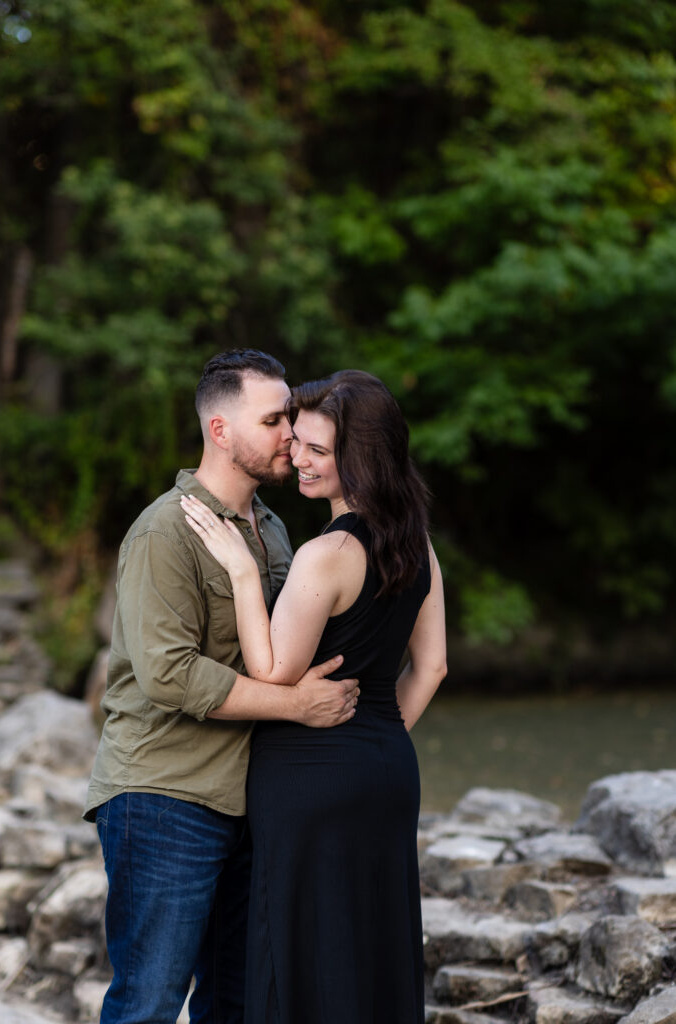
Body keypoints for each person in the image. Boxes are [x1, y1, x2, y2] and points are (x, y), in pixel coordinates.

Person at [84, 349, 359, 1024]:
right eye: (273, 421)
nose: (290, 437)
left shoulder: (272, 530)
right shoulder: (164, 531)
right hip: (163, 796)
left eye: (291, 419)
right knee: (147, 1001)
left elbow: (284, 650)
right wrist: (297, 706)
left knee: (236, 1002)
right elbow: (170, 674)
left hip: (250, 800)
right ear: (220, 431)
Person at [181, 368, 447, 1024]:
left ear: (362, 460)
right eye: (296, 441)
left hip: (307, 776)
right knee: (372, 944)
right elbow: (433, 667)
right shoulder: (417, 543)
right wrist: (376, 739)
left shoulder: (325, 553)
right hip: (387, 768)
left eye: (317, 452)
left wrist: (244, 573)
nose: (296, 458)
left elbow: (272, 671)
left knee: (298, 949)